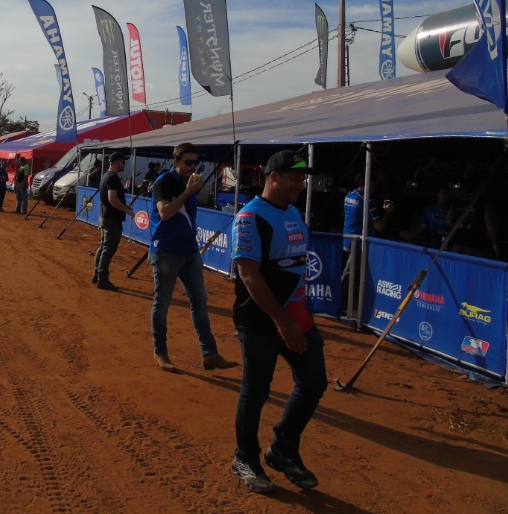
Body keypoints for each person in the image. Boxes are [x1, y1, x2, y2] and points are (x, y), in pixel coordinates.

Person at [230, 150, 328, 495]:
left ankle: (283, 448)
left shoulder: (293, 212)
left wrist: (295, 318)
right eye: (294, 179)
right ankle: (245, 458)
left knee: (314, 382)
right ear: (273, 178)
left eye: (302, 179)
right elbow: (249, 274)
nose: (300, 185)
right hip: (261, 321)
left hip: (298, 317)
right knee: (255, 392)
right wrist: (282, 322)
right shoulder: (249, 218)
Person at [149, 143, 236, 372]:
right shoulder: (164, 182)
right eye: (188, 162)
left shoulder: (193, 183)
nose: (193, 166)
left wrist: (191, 191)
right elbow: (165, 213)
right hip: (166, 251)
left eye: (196, 162)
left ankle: (210, 353)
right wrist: (188, 192)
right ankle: (161, 352)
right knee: (162, 302)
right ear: (176, 162)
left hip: (189, 251)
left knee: (200, 301)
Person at [341, 173, 393, 313]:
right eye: (375, 184)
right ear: (369, 183)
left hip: (347, 240)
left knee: (352, 274)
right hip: (357, 244)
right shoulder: (367, 201)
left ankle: (346, 302)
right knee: (350, 275)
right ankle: (342, 304)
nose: (376, 187)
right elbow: (379, 226)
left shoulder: (349, 196)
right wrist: (387, 212)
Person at [93, 151, 134, 291]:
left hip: (106, 216)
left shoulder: (106, 176)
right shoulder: (113, 178)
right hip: (112, 219)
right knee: (108, 249)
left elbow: (113, 199)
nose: (124, 164)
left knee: (103, 246)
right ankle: (102, 278)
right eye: (123, 162)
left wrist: (124, 206)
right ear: (116, 162)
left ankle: (97, 273)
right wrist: (126, 210)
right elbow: (112, 199)